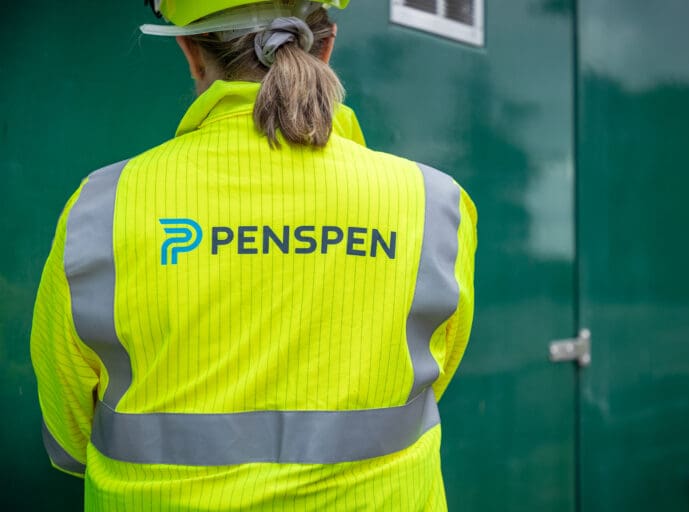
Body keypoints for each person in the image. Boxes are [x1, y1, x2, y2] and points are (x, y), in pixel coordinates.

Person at [30, 0, 477, 509]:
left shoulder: (101, 207)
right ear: (326, 45)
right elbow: (430, 377)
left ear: (191, 52)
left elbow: (69, 428)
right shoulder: (434, 204)